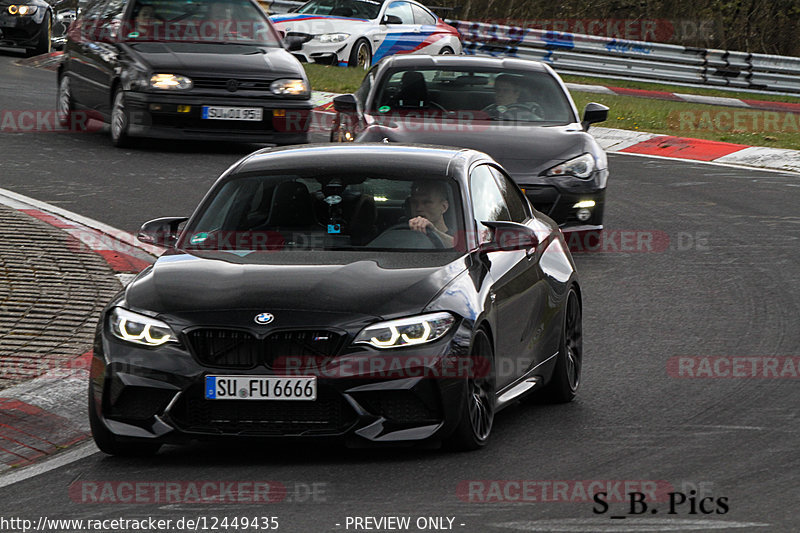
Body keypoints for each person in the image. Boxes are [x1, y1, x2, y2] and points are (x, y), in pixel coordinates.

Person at [407, 181, 454, 247]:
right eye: (414, 202)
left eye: (426, 202)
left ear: (444, 207)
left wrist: (434, 232)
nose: (418, 208)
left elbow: (460, 247)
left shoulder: (458, 235)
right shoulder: (402, 232)